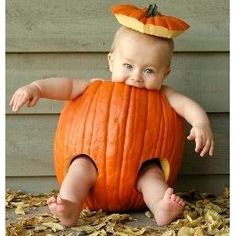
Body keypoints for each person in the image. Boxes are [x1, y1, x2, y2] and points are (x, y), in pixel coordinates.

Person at [9, 26, 214, 227]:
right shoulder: (94, 87)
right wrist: (36, 88)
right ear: (111, 61)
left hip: (140, 169)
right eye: (128, 66)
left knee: (152, 175)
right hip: (94, 167)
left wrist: (200, 123)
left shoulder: (164, 95)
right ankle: (70, 206)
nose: (136, 76)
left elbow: (187, 105)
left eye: (149, 70)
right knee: (79, 168)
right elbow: (67, 86)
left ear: (165, 74)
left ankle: (160, 207)